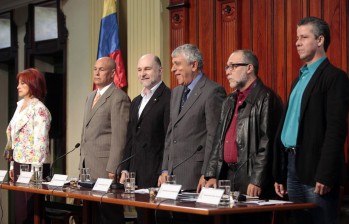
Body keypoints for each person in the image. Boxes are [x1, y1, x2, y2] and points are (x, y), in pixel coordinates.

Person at [274, 16, 349, 224]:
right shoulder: (298, 79)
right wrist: (280, 173)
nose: (297, 42)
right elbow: (288, 127)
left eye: (304, 37)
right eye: (297, 37)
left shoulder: (335, 77)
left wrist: (325, 173)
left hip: (317, 169)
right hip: (292, 165)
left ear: (320, 40)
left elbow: (336, 130)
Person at [204, 50, 283, 200]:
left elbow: (268, 143)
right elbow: (218, 140)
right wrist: (211, 174)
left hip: (250, 178)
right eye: (227, 67)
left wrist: (257, 179)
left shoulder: (266, 97)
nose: (228, 72)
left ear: (249, 68)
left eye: (233, 66)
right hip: (227, 176)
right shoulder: (229, 100)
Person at [158, 44, 226, 192]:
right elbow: (171, 134)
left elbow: (214, 137)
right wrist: (164, 169)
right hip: (171, 177)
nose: (172, 69)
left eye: (177, 64)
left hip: (196, 177)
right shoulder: (176, 92)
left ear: (194, 65)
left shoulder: (213, 91)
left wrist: (208, 173)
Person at [119, 54, 170, 224]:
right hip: (137, 173)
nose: (143, 73)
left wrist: (164, 171)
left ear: (160, 71)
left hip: (156, 173)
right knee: (142, 219)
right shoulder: (136, 101)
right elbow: (130, 138)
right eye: (139, 70)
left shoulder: (169, 98)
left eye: (147, 69)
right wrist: (125, 168)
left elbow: (168, 139)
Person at [79, 57, 130, 224]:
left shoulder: (118, 97)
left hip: (105, 168)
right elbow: (86, 132)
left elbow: (120, 136)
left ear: (113, 73)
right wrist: (81, 163)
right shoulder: (90, 96)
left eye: (101, 69)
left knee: (109, 216)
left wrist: (114, 167)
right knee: (90, 215)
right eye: (95, 69)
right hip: (87, 168)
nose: (97, 72)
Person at [4, 68, 51, 224]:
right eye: (18, 83)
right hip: (18, 162)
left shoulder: (40, 109)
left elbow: (41, 142)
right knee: (20, 211)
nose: (18, 86)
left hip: (33, 166)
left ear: (33, 84)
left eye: (22, 83)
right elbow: (13, 139)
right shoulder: (19, 106)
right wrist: (11, 165)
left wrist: (37, 172)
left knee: (31, 211)